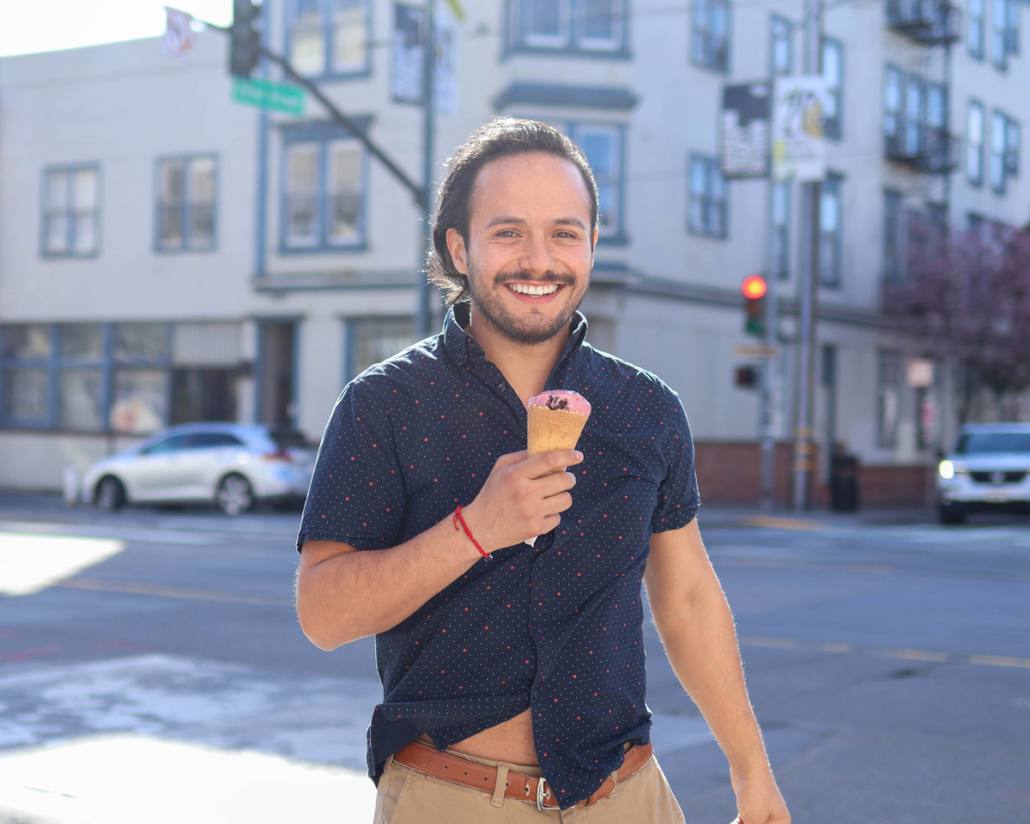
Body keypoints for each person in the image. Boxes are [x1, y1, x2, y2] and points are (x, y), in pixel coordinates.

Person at [295, 117, 790, 824]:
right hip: (455, 801)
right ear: (459, 247)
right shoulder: (385, 404)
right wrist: (475, 529)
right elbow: (322, 614)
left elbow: (687, 600)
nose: (539, 260)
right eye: (508, 232)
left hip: (627, 797)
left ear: (591, 245)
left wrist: (752, 769)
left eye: (564, 233)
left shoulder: (646, 408)